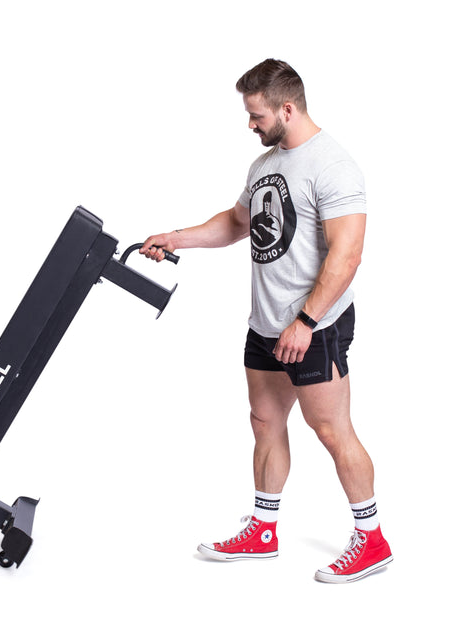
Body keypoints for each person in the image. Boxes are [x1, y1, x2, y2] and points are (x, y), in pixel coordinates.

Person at [140, 59, 392, 583]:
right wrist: (177, 237)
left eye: (256, 115)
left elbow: (347, 255)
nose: (250, 125)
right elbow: (236, 223)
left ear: (287, 108)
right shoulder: (265, 166)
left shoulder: (333, 165)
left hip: (313, 326)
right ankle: (263, 528)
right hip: (266, 322)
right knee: (264, 422)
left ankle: (372, 540)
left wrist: (306, 320)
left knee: (330, 429)